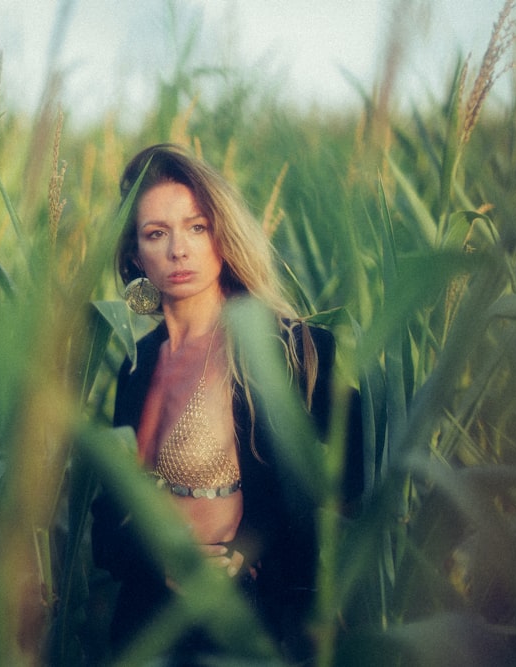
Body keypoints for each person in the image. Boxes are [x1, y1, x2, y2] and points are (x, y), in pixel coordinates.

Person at [90, 143, 363, 662]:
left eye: (197, 227)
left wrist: (252, 550)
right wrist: (158, 563)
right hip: (149, 624)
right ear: (133, 255)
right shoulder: (136, 364)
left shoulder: (288, 349)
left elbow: (349, 485)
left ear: (221, 233)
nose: (179, 250)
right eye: (156, 234)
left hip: (248, 621)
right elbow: (107, 525)